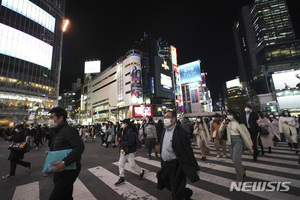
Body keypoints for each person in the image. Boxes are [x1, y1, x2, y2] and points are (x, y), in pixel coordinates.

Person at [157, 111, 200, 200]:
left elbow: (188, 151)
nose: (165, 119)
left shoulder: (181, 132)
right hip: (165, 164)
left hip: (176, 165)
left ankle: (179, 194)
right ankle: (186, 192)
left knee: (176, 189)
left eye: (168, 117)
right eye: (164, 117)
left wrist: (194, 167)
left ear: (173, 119)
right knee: (166, 182)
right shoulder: (164, 131)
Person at [48, 107, 85, 200]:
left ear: (60, 118)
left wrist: (65, 162)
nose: (50, 120)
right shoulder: (56, 132)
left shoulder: (69, 130)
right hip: (59, 169)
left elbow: (79, 147)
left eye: (52, 117)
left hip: (69, 169)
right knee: (66, 196)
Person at [219, 109, 254, 183]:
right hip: (230, 141)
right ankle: (242, 169)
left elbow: (246, 134)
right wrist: (223, 126)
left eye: (230, 114)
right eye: (227, 114)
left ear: (234, 115)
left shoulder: (239, 123)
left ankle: (239, 179)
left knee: (237, 160)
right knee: (234, 160)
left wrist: (250, 146)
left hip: (238, 141)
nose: (228, 115)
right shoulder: (226, 121)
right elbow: (220, 130)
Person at [115, 119, 144, 186]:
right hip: (123, 150)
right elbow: (121, 138)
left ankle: (141, 171)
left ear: (126, 124)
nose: (121, 124)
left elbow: (131, 142)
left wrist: (121, 143)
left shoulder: (129, 131)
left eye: (123, 123)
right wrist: (119, 142)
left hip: (130, 151)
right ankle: (121, 177)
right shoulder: (122, 130)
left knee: (132, 165)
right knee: (120, 164)